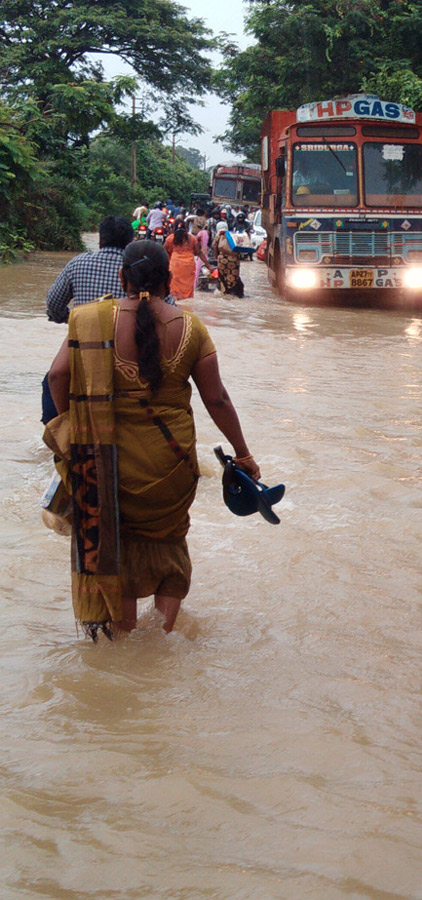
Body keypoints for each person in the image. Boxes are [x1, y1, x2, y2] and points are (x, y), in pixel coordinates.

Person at [44, 240, 261, 638]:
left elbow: (58, 376)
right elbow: (217, 399)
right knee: (170, 541)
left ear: (122, 277)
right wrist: (244, 455)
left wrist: (69, 428)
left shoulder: (90, 319)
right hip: (173, 465)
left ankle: (124, 639)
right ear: (167, 280)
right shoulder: (191, 328)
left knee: (120, 542)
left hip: (110, 464)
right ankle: (163, 633)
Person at [42, 216, 136, 423]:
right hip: (129, 352)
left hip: (83, 345)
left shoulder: (78, 263)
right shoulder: (136, 269)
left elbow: (54, 304)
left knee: (51, 382)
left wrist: (71, 320)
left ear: (100, 241)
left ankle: (58, 430)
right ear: (131, 242)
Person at [164, 220, 199, 299]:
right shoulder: (192, 238)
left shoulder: (170, 238)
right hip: (189, 265)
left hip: (175, 264)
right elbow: (197, 252)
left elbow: (165, 250)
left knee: (174, 287)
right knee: (188, 287)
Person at [215, 221, 244, 297]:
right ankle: (233, 293)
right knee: (234, 278)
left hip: (222, 262)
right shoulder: (233, 236)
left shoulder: (217, 237)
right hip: (234, 261)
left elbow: (215, 251)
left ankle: (225, 293)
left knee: (223, 278)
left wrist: (218, 258)